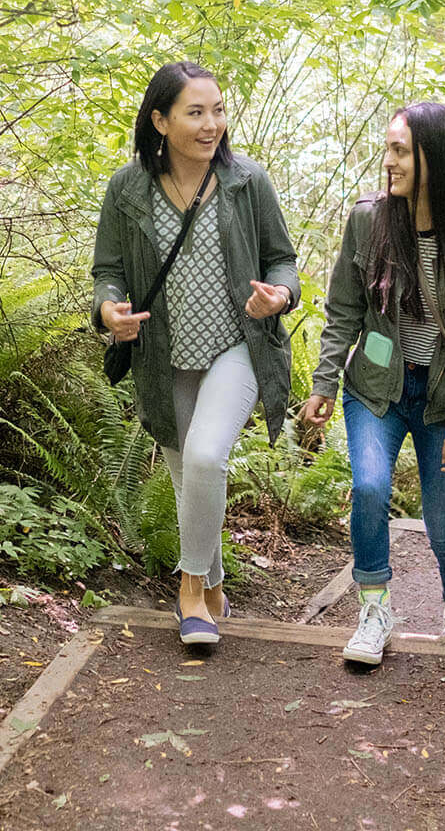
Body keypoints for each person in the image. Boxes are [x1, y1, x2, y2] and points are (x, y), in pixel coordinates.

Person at [91, 61, 300, 646]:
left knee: (207, 457)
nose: (212, 125)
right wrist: (111, 311)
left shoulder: (246, 182)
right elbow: (107, 273)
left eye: (219, 110)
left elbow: (282, 260)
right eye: (196, 112)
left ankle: (189, 589)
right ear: (160, 120)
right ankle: (214, 588)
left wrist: (279, 294)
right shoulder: (127, 188)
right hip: (163, 354)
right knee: (189, 480)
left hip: (237, 344)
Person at [301, 102, 445, 665]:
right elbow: (344, 309)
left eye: (399, 150)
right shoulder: (369, 219)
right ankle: (374, 611)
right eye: (388, 147)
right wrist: (324, 381)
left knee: (444, 527)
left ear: (435, 159)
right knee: (369, 490)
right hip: (375, 389)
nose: (387, 160)